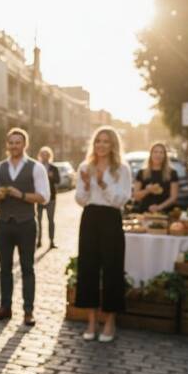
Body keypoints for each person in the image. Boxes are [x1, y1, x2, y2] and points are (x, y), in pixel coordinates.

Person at [0, 128, 50, 325]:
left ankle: (28, 311)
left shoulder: (36, 167)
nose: (14, 145)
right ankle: (5, 307)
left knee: (27, 268)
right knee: (4, 268)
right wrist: (0, 195)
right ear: (7, 145)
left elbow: (44, 197)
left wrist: (20, 195)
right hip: (3, 224)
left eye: (18, 142)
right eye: (11, 142)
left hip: (27, 224)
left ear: (24, 144)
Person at [74, 127, 132, 343]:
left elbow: (120, 200)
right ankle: (91, 321)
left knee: (112, 269)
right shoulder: (84, 167)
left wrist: (102, 183)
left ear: (113, 145)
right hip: (90, 218)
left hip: (111, 219)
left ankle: (109, 321)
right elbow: (80, 199)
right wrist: (88, 185)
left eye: (106, 141)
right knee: (88, 269)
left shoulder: (122, 170)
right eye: (98, 141)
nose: (101, 145)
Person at [132, 142, 179, 213]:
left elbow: (174, 197)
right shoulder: (141, 173)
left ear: (165, 156)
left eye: (161, 152)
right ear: (151, 154)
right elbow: (136, 196)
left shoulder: (172, 173)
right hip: (144, 212)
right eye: (155, 152)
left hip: (165, 212)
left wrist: (159, 207)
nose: (158, 155)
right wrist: (148, 190)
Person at [36, 146, 59, 249]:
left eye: (46, 155)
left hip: (51, 198)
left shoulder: (54, 168)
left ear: (49, 156)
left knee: (51, 220)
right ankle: (39, 241)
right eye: (43, 154)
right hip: (39, 198)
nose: (44, 156)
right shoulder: (37, 167)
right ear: (40, 156)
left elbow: (58, 180)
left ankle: (51, 241)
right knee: (38, 221)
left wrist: (52, 176)